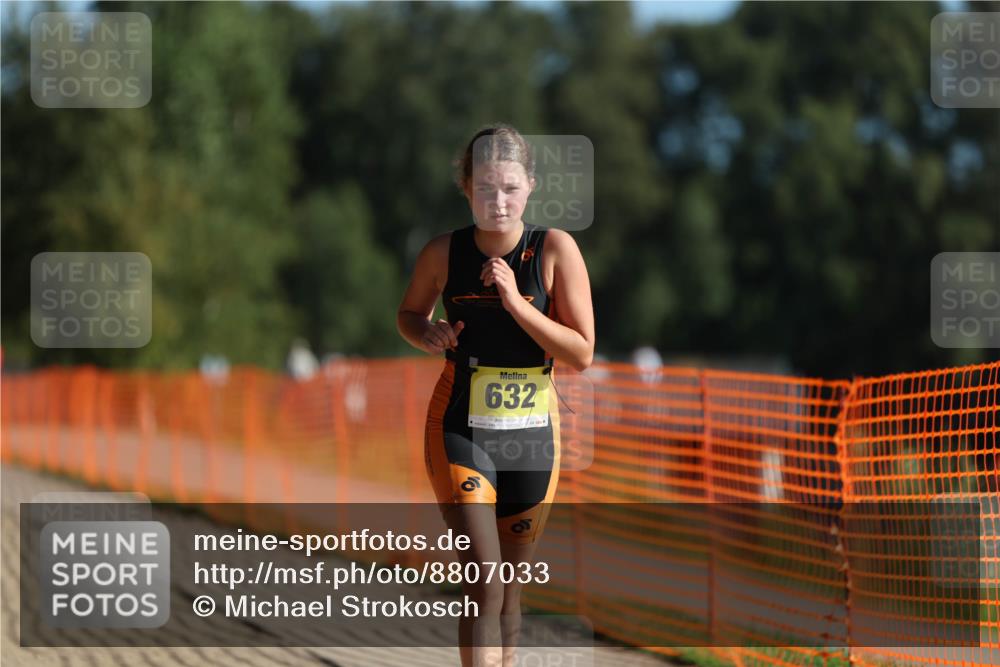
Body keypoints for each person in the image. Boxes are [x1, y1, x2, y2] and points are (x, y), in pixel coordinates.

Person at [397, 123, 595, 667]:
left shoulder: (554, 249)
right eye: (485, 188)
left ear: (530, 185)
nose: (498, 201)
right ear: (466, 188)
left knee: (510, 592)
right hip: (462, 425)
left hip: (533, 437)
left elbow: (581, 354)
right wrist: (427, 333)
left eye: (509, 187)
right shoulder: (445, 252)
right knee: (482, 582)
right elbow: (409, 316)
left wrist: (517, 302)